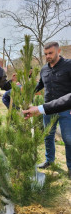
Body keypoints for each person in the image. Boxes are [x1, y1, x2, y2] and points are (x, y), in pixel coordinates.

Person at [34, 41, 71, 178]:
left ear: (58, 51)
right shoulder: (44, 69)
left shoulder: (69, 65)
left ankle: (70, 167)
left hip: (67, 109)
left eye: (50, 53)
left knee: (68, 139)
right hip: (48, 109)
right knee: (48, 136)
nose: (48, 56)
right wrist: (27, 89)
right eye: (46, 54)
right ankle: (49, 160)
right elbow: (40, 85)